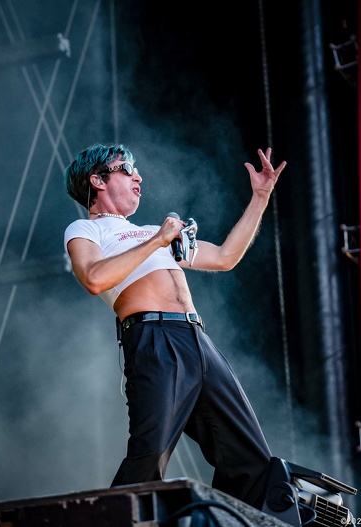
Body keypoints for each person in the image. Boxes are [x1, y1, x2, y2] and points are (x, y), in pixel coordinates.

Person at [62, 143, 286, 509]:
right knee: (150, 453)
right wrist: (157, 241)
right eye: (126, 169)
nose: (138, 177)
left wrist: (260, 198)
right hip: (154, 338)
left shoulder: (154, 231)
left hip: (197, 339)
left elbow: (225, 257)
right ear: (98, 180)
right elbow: (94, 279)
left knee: (250, 458)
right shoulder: (85, 229)